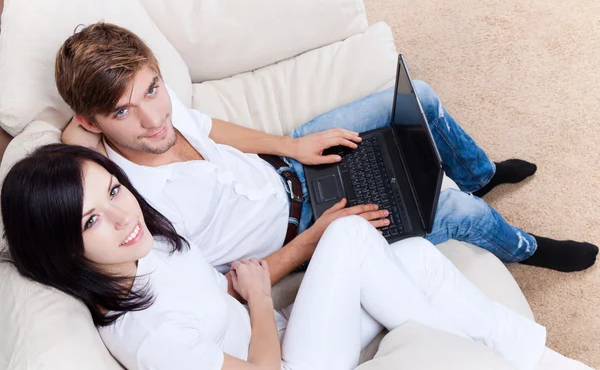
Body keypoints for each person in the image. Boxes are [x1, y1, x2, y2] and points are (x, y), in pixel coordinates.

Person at [57, 22, 597, 287]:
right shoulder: (135, 211)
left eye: (152, 89)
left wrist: (293, 146)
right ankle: (523, 248)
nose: (155, 121)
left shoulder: (161, 111)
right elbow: (227, 288)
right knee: (457, 215)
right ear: (90, 121)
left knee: (419, 97)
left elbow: (211, 127)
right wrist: (317, 240)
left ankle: (477, 173)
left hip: (291, 167)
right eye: (123, 112)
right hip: (310, 232)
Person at [0, 144, 592, 370]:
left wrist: (255, 293)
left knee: (411, 253)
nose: (124, 215)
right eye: (90, 220)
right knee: (349, 238)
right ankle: (485, 354)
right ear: (60, 247)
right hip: (283, 365)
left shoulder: (142, 246)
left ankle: (534, 358)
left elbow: (220, 294)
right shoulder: (144, 335)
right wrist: (259, 297)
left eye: (113, 190)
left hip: (288, 336)